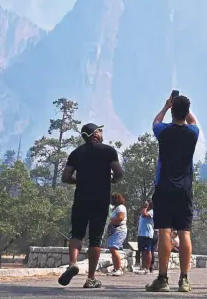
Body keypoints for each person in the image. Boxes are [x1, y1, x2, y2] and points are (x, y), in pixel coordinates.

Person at [58, 123, 123, 289]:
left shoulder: (76, 153)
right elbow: (119, 173)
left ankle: (72, 263)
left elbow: (65, 177)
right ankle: (91, 278)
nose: (101, 133)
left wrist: (78, 181)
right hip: (101, 201)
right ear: (95, 134)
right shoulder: (108, 151)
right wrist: (112, 180)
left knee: (76, 234)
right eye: (99, 130)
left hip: (81, 199)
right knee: (95, 240)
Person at [145, 94, 199, 293]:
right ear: (186, 111)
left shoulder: (163, 131)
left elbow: (156, 121)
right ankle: (184, 280)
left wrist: (166, 106)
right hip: (184, 188)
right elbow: (193, 121)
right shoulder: (193, 133)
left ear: (173, 110)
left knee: (164, 233)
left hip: (164, 187)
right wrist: (183, 108)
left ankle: (162, 279)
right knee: (185, 233)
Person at [106, 192, 127, 276]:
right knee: (112, 249)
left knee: (114, 248)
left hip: (119, 230)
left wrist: (110, 221)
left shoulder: (121, 207)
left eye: (113, 198)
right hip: (114, 230)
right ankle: (115, 268)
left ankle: (119, 268)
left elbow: (120, 218)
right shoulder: (114, 208)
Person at [136, 200, 154, 275]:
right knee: (142, 251)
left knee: (148, 251)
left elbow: (144, 215)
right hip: (141, 234)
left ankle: (147, 268)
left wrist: (146, 207)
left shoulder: (152, 211)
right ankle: (143, 267)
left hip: (147, 234)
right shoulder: (146, 210)